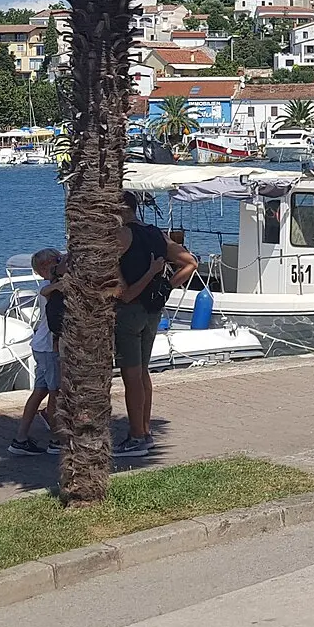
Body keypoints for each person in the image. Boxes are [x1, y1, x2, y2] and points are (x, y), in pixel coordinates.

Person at [110, 192, 198, 457]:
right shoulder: (155, 233)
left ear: (120, 210)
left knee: (131, 376)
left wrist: (139, 283)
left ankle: (137, 436)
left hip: (130, 312)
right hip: (152, 311)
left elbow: (121, 291)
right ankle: (144, 431)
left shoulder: (122, 236)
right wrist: (164, 286)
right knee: (142, 372)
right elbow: (190, 263)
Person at [8, 248, 67, 456]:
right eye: (57, 261)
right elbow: (49, 300)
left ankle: (21, 438)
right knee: (55, 393)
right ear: (46, 267)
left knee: (40, 391)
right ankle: (56, 439)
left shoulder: (50, 286)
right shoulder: (50, 287)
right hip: (49, 347)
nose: (61, 263)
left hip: (40, 345)